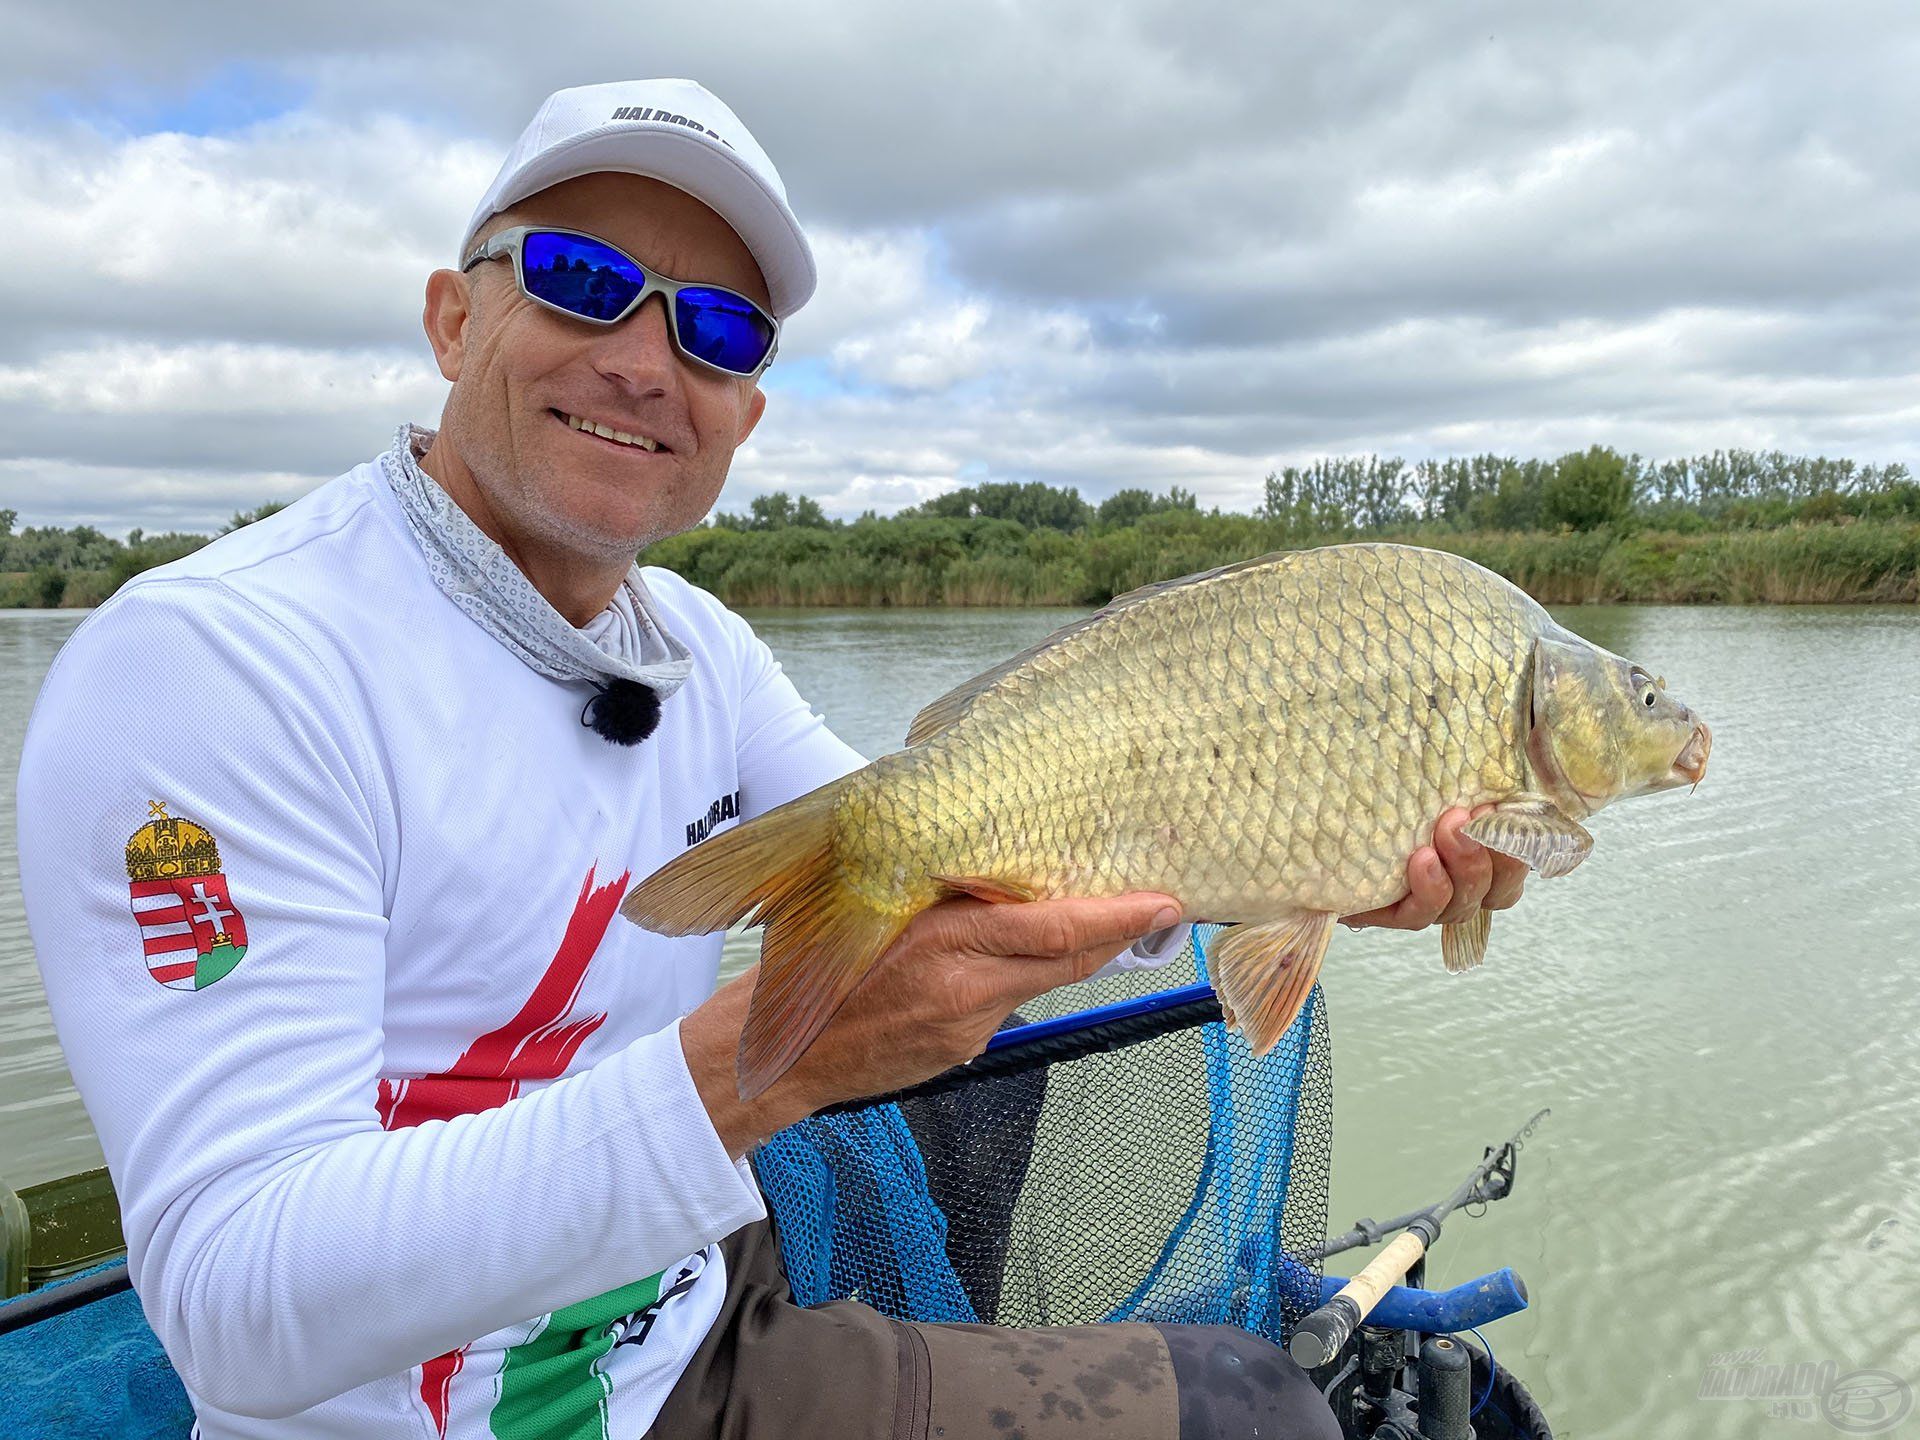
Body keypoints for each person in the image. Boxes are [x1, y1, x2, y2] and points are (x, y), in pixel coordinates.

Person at [16, 79, 1526, 1440]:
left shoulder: (696, 649)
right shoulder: (213, 670)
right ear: (450, 319)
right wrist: (749, 1069)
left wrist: (1305, 863)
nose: (643, 359)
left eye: (718, 331)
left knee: (1255, 1406)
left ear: (744, 407)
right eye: (583, 280)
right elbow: (232, 1304)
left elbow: (974, 887)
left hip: (695, 1339)